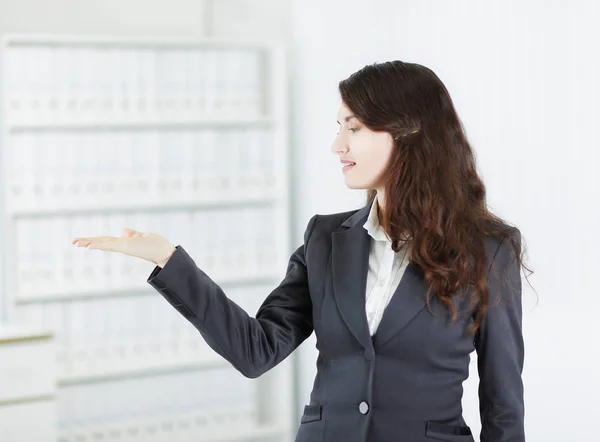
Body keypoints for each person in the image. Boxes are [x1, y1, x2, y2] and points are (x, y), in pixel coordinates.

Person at [73, 60, 531, 442]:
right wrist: (170, 261)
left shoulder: (489, 251)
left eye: (353, 128)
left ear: (407, 131)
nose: (338, 145)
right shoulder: (326, 241)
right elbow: (256, 351)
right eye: (338, 128)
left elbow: (503, 408)